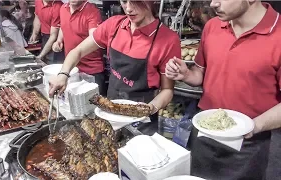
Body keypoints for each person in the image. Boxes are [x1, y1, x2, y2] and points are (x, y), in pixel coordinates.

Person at [165, 1, 281, 179]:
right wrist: (187, 74)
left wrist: (252, 126)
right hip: (205, 132)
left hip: (248, 145)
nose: (213, 3)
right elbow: (201, 73)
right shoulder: (213, 26)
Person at [49, 0, 181, 119]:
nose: (128, 8)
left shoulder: (168, 40)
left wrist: (148, 110)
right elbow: (78, 51)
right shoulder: (114, 25)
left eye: (135, 1)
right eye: (124, 1)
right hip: (110, 110)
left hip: (143, 119)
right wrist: (63, 74)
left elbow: (167, 90)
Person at [52, 0, 106, 95]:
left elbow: (93, 39)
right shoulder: (63, 8)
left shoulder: (93, 11)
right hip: (72, 69)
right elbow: (63, 26)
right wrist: (59, 40)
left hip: (91, 71)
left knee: (93, 106)